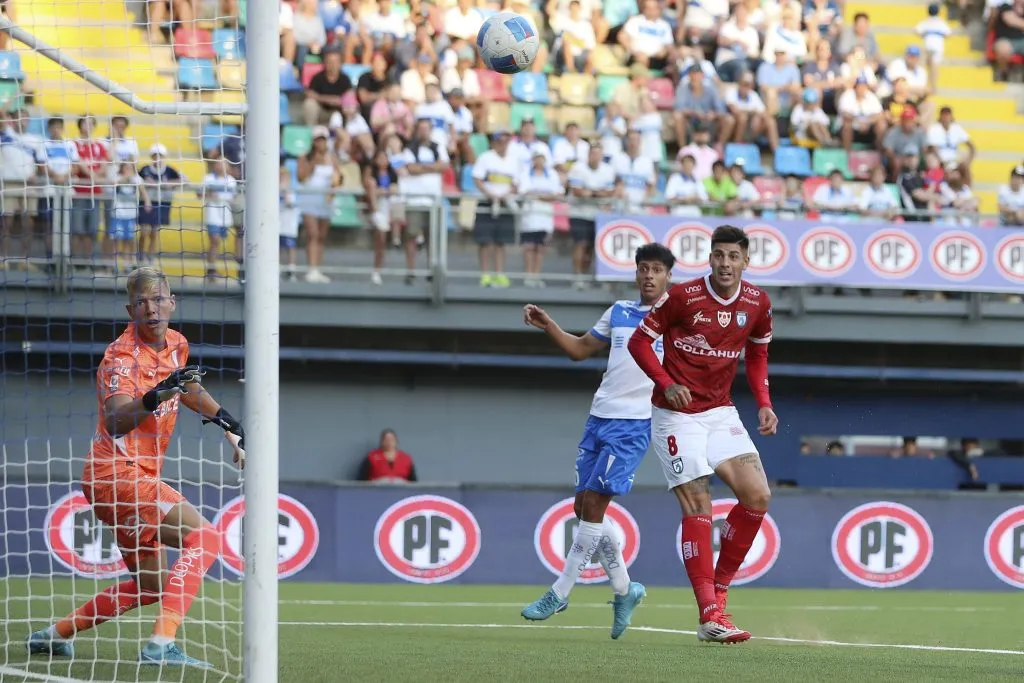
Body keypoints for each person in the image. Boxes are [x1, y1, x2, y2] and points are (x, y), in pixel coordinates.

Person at [27, 267, 245, 668]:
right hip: (118, 473)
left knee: (151, 585)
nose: (151, 308)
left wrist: (229, 424)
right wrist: (156, 395)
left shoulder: (177, 343)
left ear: (172, 303)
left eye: (158, 299)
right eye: (142, 302)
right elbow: (115, 420)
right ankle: (161, 645)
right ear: (131, 310)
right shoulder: (121, 357)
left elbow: (187, 387)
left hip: (127, 479)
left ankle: (54, 635)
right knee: (206, 539)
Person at [627, 225, 778, 644]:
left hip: (720, 411)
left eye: (733, 256)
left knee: (757, 495)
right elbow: (639, 343)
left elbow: (758, 354)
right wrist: (665, 382)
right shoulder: (683, 297)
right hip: (676, 415)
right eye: (719, 255)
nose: (725, 263)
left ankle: (721, 590)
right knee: (699, 504)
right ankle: (709, 614)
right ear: (710, 258)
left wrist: (764, 402)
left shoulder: (758, 303)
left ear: (746, 261)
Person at [521, 242, 676, 639]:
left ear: (668, 276)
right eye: (643, 268)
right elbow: (579, 350)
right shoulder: (619, 311)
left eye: (656, 269)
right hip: (599, 418)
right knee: (582, 507)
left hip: (634, 424)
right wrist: (549, 325)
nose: (648, 275)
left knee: (593, 506)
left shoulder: (678, 317)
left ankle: (560, 592)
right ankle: (625, 590)